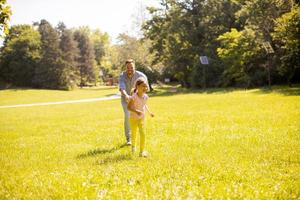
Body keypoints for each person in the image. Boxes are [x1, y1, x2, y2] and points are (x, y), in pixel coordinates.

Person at [119, 59, 149, 145]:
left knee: (139, 116)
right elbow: (122, 88)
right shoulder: (122, 75)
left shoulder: (141, 76)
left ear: (134, 67)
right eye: (128, 68)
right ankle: (129, 139)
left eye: (131, 67)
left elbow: (145, 89)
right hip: (126, 99)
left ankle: (139, 135)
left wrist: (138, 98)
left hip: (138, 99)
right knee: (128, 116)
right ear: (125, 68)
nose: (129, 69)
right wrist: (126, 96)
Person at [127, 77, 154, 157]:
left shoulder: (146, 97)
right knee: (134, 134)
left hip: (142, 118)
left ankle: (141, 152)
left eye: (145, 86)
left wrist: (150, 113)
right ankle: (133, 146)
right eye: (143, 86)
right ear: (137, 87)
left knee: (143, 134)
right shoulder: (133, 97)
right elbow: (128, 108)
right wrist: (136, 111)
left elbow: (144, 105)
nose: (145, 88)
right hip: (133, 119)